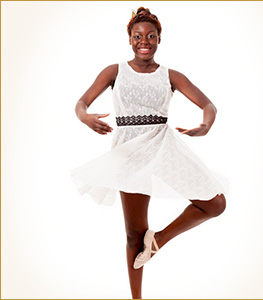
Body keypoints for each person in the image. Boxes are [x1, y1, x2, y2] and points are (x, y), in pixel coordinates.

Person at [71, 7, 227, 299]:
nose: (145, 41)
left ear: (159, 40)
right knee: (133, 235)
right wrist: (85, 117)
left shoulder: (171, 76)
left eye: (151, 36)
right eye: (138, 35)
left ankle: (158, 241)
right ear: (129, 39)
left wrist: (206, 124)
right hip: (129, 152)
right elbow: (81, 102)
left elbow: (209, 105)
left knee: (215, 203)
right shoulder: (114, 71)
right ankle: (136, 298)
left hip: (163, 145)